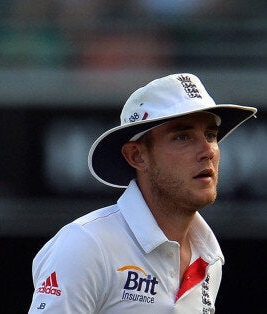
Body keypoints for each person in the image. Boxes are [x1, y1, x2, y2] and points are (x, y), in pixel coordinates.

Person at [28, 73, 257, 313]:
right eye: (183, 136)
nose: (207, 151)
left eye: (210, 135)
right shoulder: (86, 244)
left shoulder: (210, 258)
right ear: (137, 156)